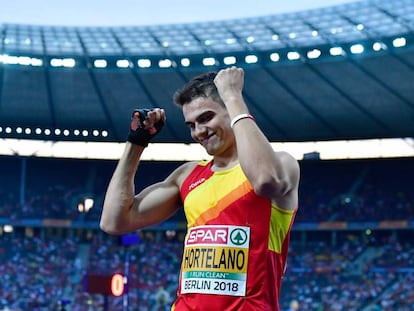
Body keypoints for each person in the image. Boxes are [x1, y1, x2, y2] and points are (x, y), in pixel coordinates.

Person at [100, 66, 300, 311]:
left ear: (231, 108)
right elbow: (114, 221)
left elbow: (265, 180)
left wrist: (233, 96)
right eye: (191, 125)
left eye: (206, 118)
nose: (199, 132)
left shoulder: (281, 164)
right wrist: (136, 142)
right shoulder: (188, 175)